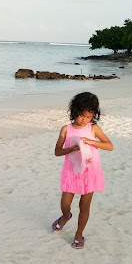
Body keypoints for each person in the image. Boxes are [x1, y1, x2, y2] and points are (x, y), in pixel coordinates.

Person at [52, 92, 113, 249]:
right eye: (81, 116)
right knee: (65, 203)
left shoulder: (93, 128)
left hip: (89, 172)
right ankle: (65, 216)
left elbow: (109, 146)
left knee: (84, 206)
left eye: (89, 116)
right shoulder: (66, 129)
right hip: (71, 172)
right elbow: (57, 152)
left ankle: (79, 234)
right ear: (74, 111)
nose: (84, 120)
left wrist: (91, 142)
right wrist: (70, 149)